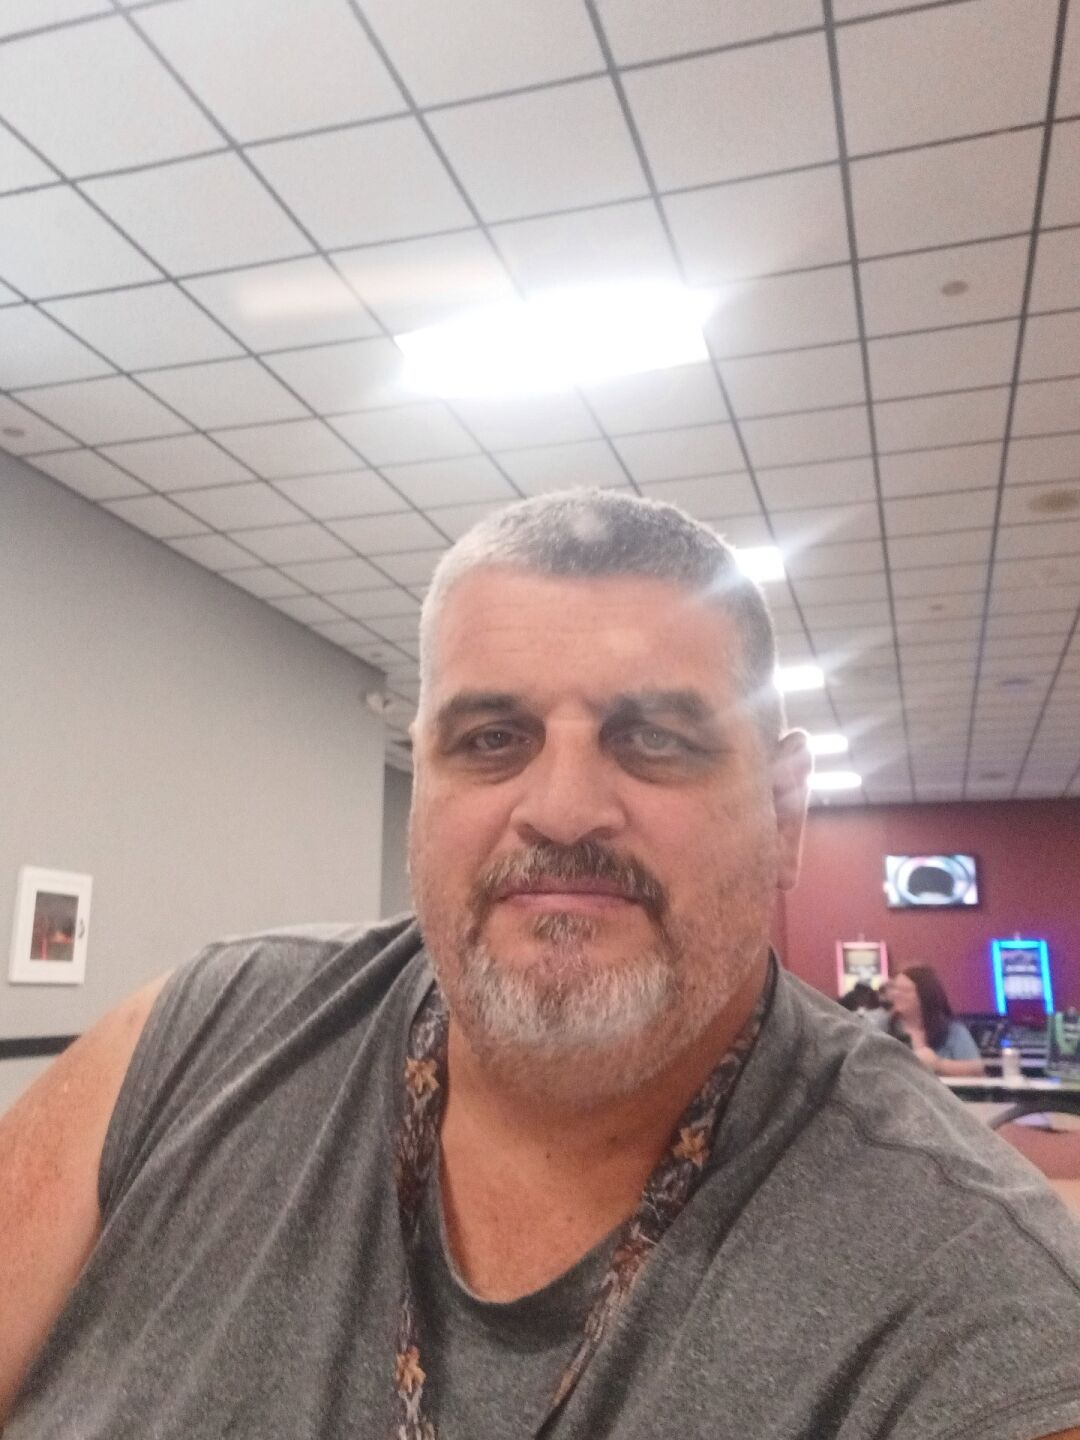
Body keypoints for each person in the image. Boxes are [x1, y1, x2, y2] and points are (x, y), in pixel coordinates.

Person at [2, 490, 1079, 1439]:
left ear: (783, 815)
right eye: (492, 738)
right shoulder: (199, 1041)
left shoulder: (972, 1298)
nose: (563, 809)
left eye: (653, 738)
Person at [886, 964, 985, 1077]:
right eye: (895, 989)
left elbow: (977, 1070)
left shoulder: (952, 1031)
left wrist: (938, 1064)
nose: (896, 994)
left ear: (924, 995)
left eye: (905, 990)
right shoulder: (883, 1027)